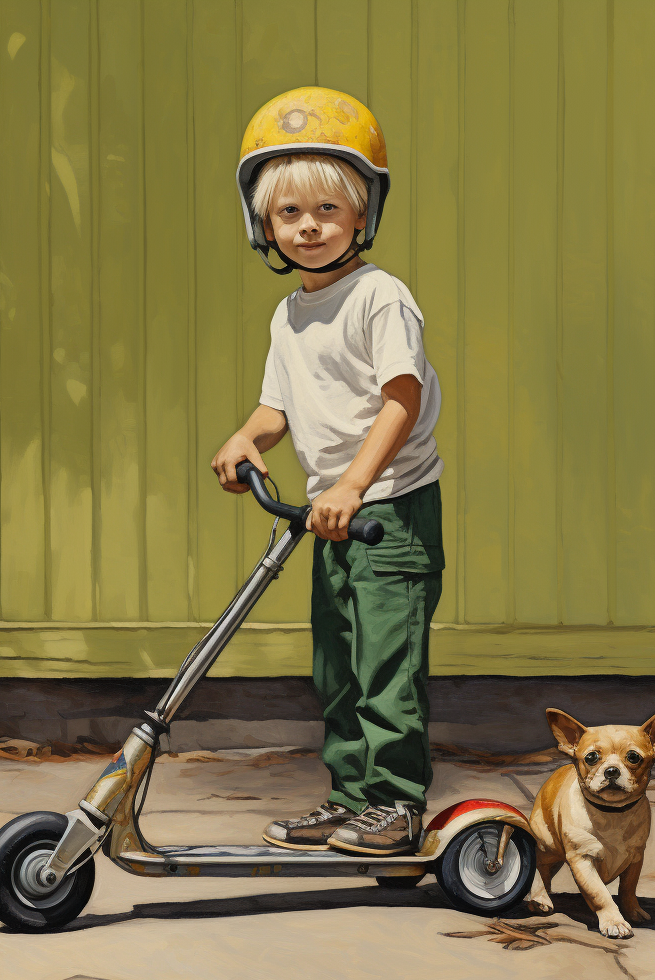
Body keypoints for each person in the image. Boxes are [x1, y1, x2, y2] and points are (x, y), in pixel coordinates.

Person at [211, 87, 444, 856]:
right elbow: (278, 406)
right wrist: (246, 439)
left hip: (391, 513)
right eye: (288, 214)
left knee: (387, 671)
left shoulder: (380, 297)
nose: (309, 226)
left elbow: (400, 399)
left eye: (327, 210)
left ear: (362, 214)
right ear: (264, 225)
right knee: (338, 669)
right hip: (332, 516)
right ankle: (350, 801)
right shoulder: (290, 314)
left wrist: (351, 484)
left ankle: (398, 805)